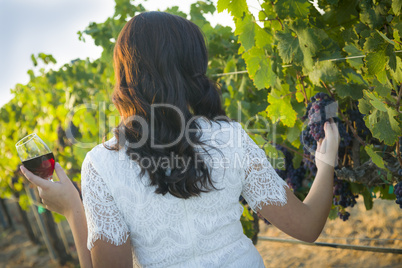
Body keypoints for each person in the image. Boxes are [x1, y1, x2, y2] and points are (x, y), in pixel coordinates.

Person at [20, 11, 340, 268]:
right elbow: (308, 226)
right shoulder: (230, 137)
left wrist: (73, 210)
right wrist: (326, 164)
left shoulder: (101, 163)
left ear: (125, 72)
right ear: (190, 67)